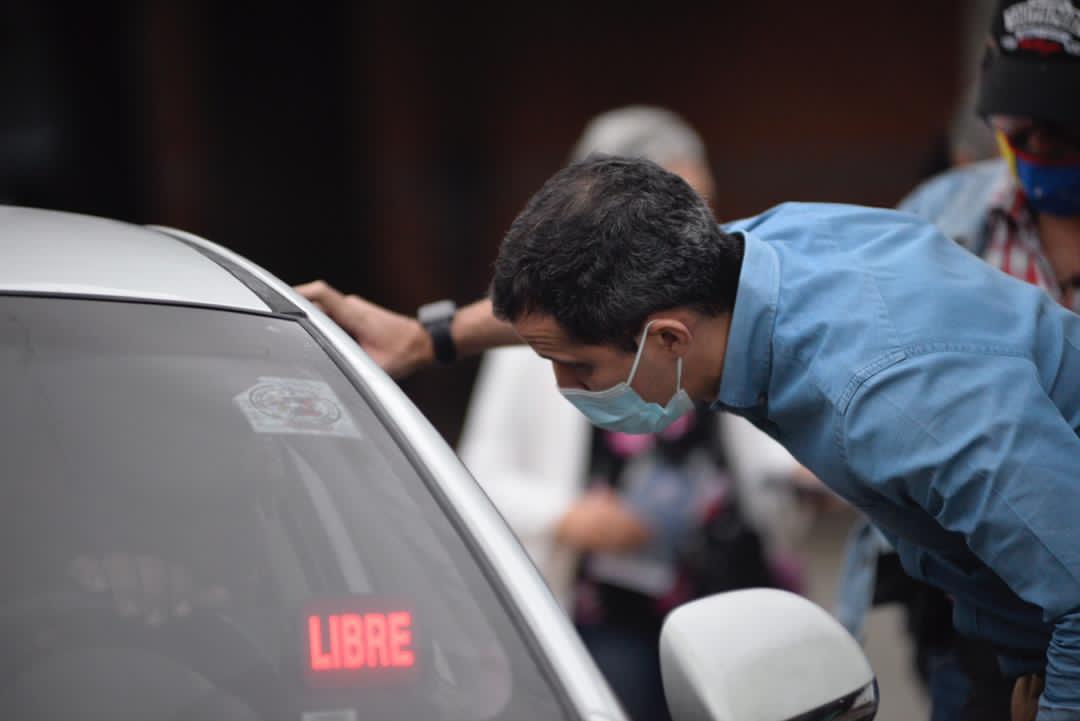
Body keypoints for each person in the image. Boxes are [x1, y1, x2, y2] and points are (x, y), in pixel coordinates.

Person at [301, 150, 1080, 721]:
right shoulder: (746, 258)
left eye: (575, 367)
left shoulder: (891, 396)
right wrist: (430, 335)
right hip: (1009, 627)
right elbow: (544, 312)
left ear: (667, 339)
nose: (562, 389)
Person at [458, 107, 808, 721]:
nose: (700, 243)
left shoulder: (717, 306)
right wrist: (567, 518)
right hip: (612, 614)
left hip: (732, 583)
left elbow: (756, 435)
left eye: (704, 213)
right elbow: (477, 475)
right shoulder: (536, 335)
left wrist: (806, 470)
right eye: (676, 219)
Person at [836, 2, 1080, 719]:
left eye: (1061, 131)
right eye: (1016, 129)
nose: (1033, 147)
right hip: (976, 618)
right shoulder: (936, 224)